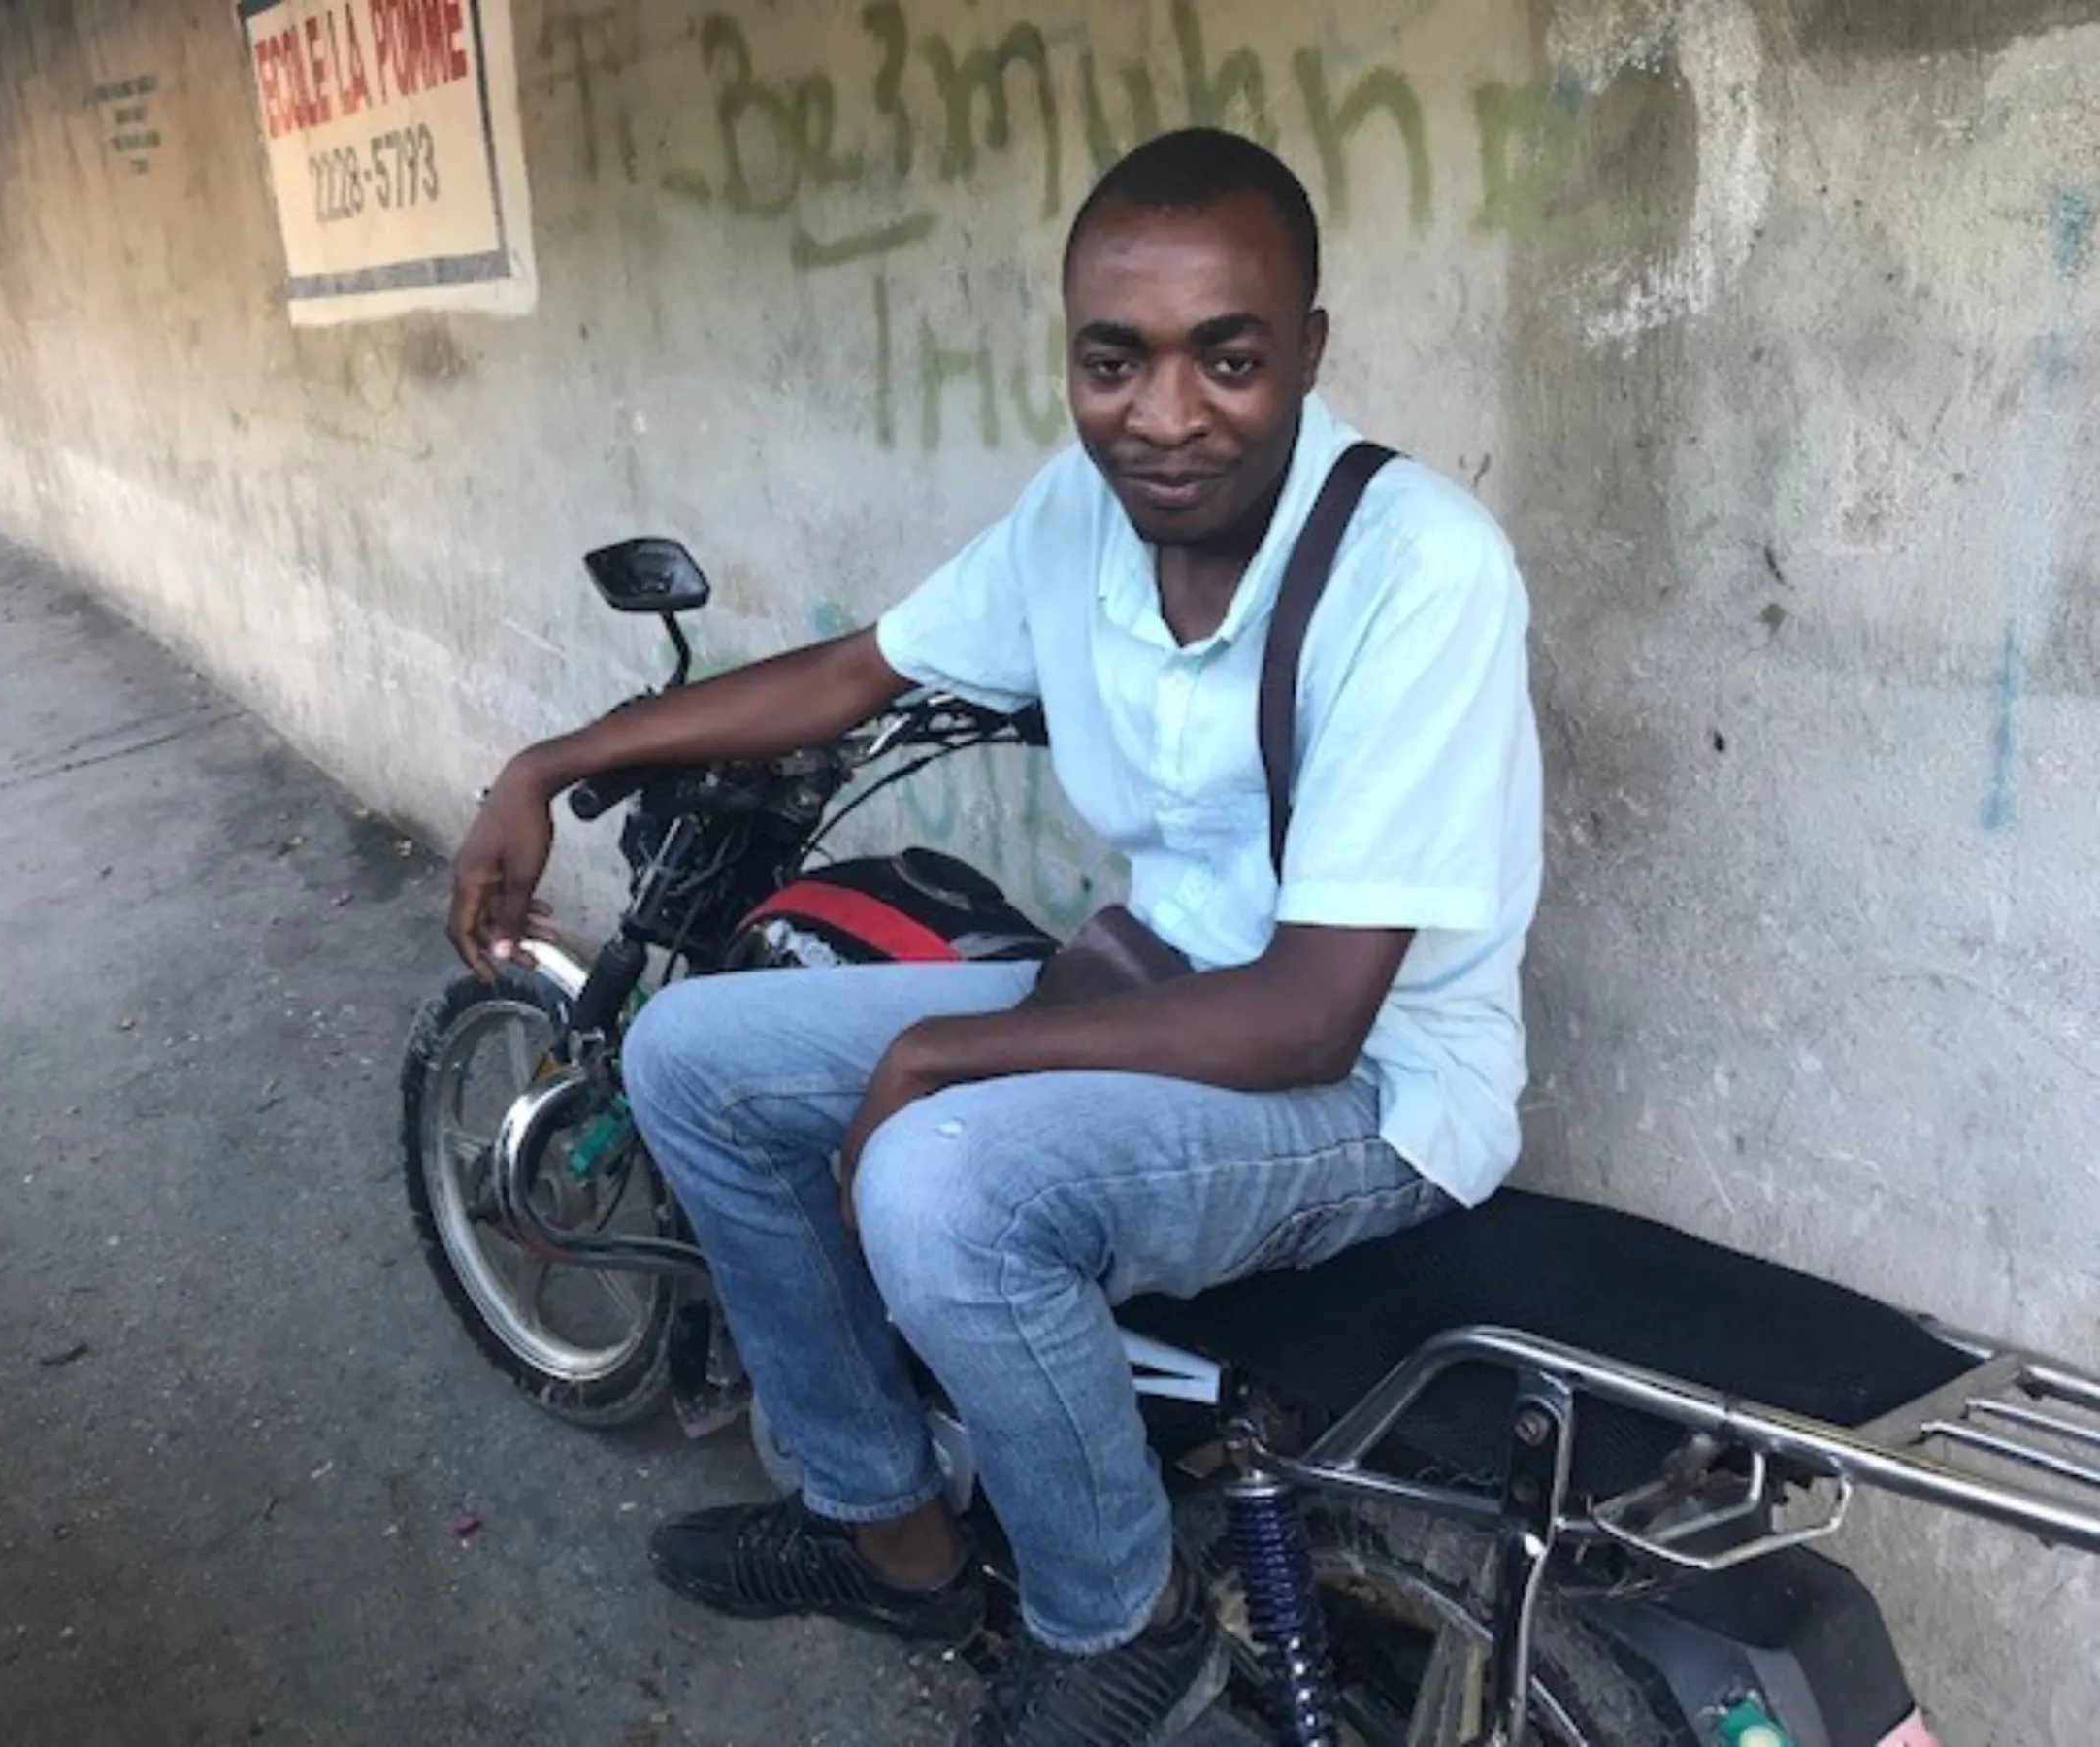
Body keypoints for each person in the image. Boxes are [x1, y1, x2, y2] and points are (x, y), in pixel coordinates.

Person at [447, 125, 1543, 1747]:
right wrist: (555, 760)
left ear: (1308, 349)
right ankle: (889, 1532)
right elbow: (852, 673)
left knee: (940, 1182)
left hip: (1369, 1089)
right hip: (1151, 1000)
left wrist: (952, 1048)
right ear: (1073, 358)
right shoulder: (1074, 521)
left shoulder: (1421, 570)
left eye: (1227, 359)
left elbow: (1310, 1017)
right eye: (1116, 361)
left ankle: (1120, 1622)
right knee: (690, 1053)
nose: (1164, 416)